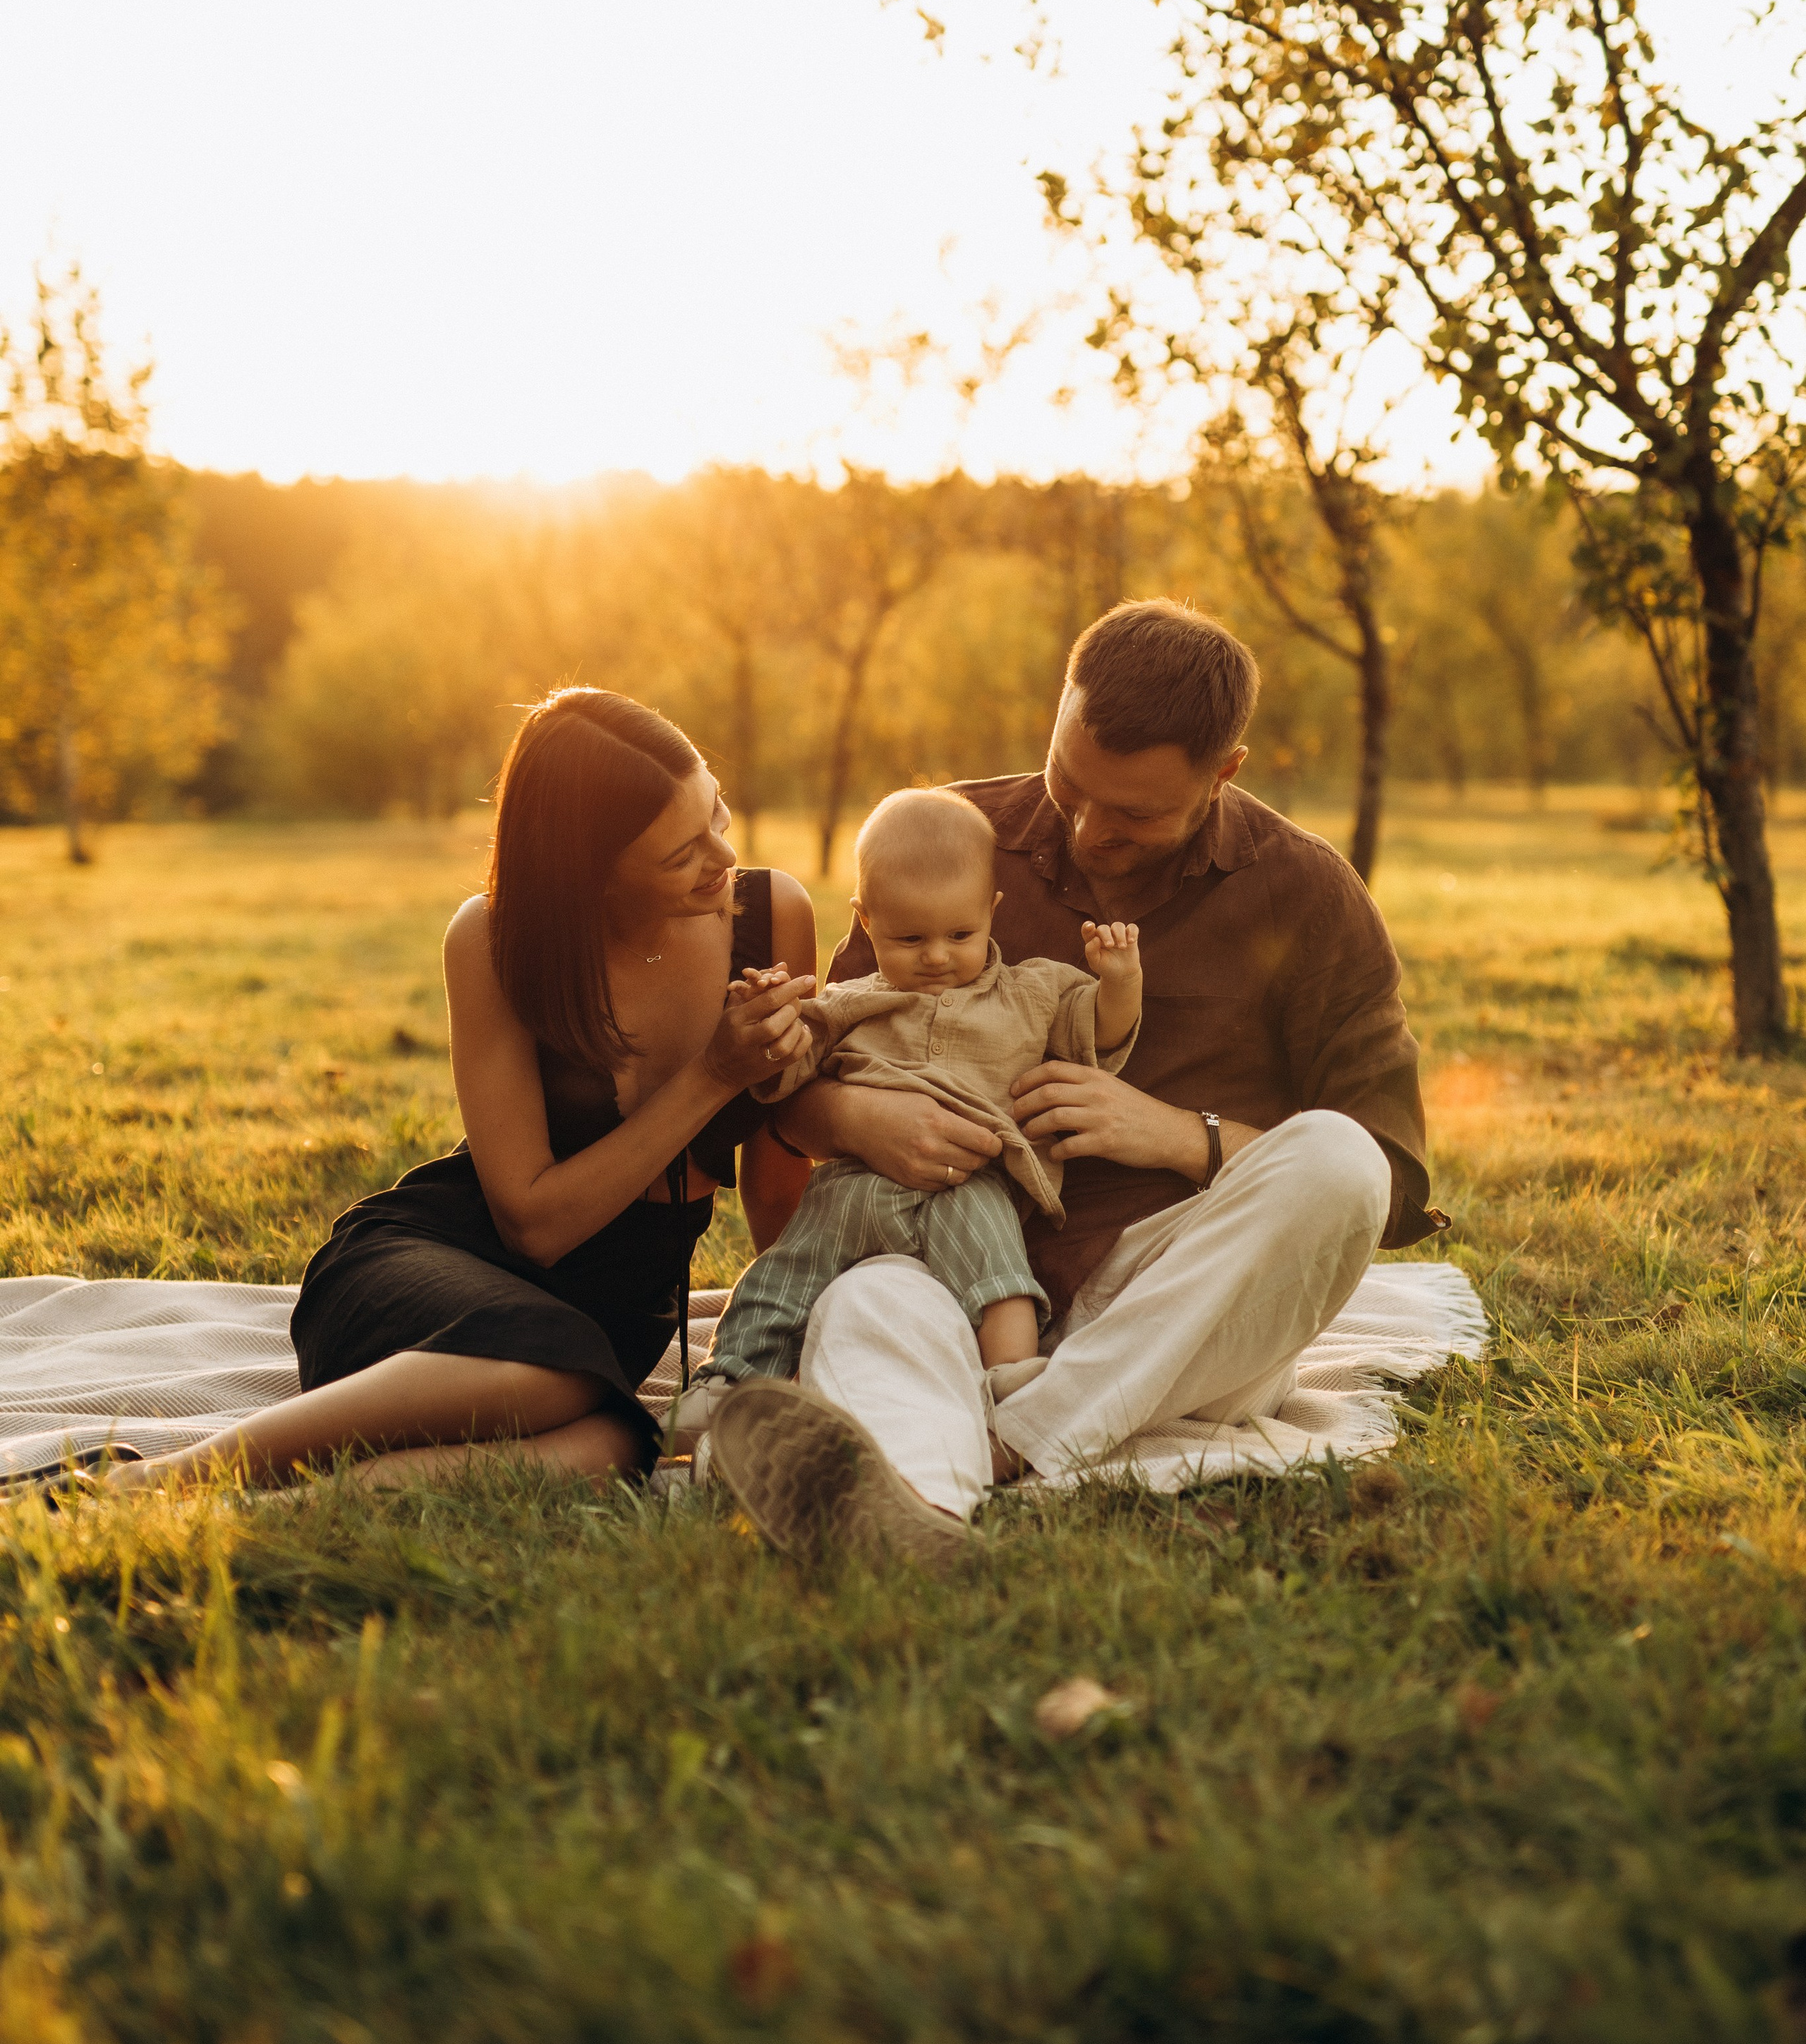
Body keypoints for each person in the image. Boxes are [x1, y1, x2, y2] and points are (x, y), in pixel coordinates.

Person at [706, 599, 1444, 1570]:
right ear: (1061, 708)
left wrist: (1180, 1135)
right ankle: (921, 1518)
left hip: (1175, 1309)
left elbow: (1385, 1177)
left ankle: (1013, 1441)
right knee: (869, 1301)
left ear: (1224, 773)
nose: (1091, 831)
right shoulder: (948, 839)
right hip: (956, 1276)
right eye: (1070, 786)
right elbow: (818, 1064)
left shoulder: (1307, 893)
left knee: (1338, 1160)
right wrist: (848, 1113)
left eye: (1134, 813)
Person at [108, 689, 818, 1495]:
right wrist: (712, 1077)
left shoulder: (771, 916)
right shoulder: (494, 940)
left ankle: (305, 1504)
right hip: (428, 1272)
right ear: (593, 873)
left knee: (618, 1443)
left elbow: (777, 1171)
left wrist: (783, 1329)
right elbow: (534, 1226)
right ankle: (160, 1482)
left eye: (717, 816)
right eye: (681, 852)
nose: (724, 859)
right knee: (558, 1373)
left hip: (602, 1334)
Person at [677, 785, 1142, 1408]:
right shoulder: (850, 1003)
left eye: (959, 933)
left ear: (992, 910)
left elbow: (1100, 1031)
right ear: (866, 921)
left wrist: (1121, 981)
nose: (937, 958)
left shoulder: (1030, 993)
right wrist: (774, 1025)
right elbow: (788, 1073)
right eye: (910, 940)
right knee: (787, 1272)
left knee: (1002, 1279)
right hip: (855, 1186)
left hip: (973, 1180)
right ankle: (729, 1383)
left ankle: (1010, 1385)